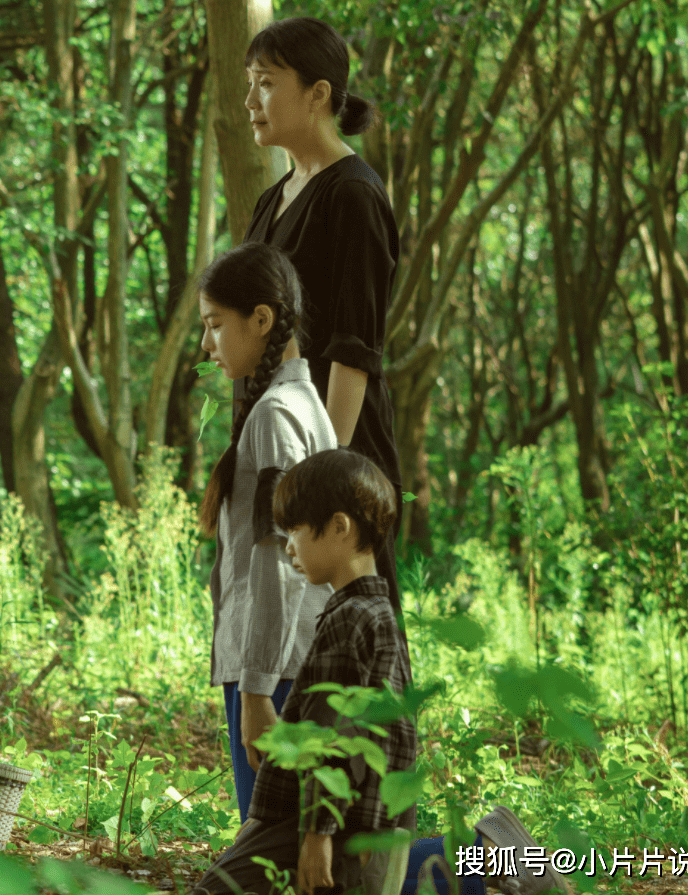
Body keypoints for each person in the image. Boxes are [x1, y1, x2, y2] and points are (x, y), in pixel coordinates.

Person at [194, 450, 568, 895]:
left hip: (335, 818)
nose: (288, 545)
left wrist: (318, 834)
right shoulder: (371, 613)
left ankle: (484, 858)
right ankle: (485, 851)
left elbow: (334, 737)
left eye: (295, 530)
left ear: (339, 527)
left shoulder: (350, 621)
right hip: (356, 816)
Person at [238, 17, 408, 625]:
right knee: (278, 639)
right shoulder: (273, 198)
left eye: (266, 82)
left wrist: (325, 471)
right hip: (274, 441)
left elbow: (354, 350)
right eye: (249, 82)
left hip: (338, 450)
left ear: (319, 93)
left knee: (355, 637)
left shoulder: (354, 196)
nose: (252, 99)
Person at [197, 242, 338, 823]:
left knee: (281, 855)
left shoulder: (278, 416)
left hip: (278, 670)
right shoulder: (294, 405)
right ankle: (495, 862)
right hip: (281, 662)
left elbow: (281, 558)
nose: (207, 345)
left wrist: (256, 690)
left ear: (260, 319)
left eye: (215, 325)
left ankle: (489, 863)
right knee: (310, 856)